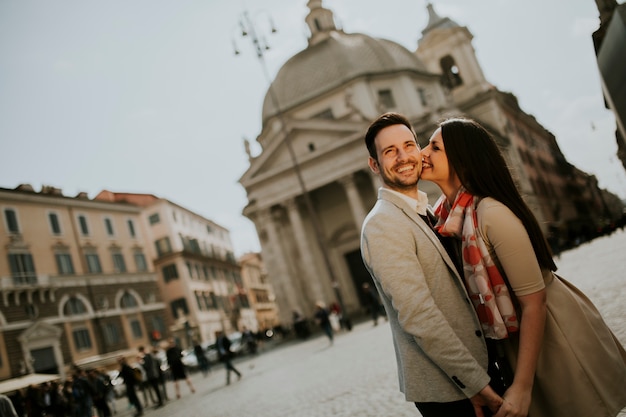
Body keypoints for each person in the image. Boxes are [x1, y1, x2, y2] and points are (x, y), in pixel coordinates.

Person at [420, 117, 626, 417]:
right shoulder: (450, 218)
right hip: (520, 340)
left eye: (435, 146)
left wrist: (522, 386)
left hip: (552, 336)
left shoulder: (491, 213)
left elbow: (535, 301)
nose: (423, 152)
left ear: (463, 160)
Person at [360, 112, 504, 416]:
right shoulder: (383, 224)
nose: (403, 157)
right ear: (374, 165)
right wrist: (475, 384)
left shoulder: (426, 211)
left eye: (409, 145)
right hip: (452, 390)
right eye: (389, 151)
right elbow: (418, 315)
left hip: (475, 371)